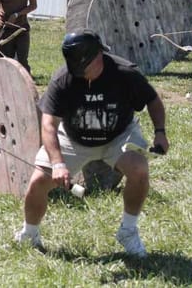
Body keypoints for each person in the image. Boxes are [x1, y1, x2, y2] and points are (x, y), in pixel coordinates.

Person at [14, 29, 169, 258]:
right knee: (38, 181)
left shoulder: (125, 73)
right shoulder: (63, 79)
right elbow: (48, 125)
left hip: (119, 135)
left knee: (139, 169)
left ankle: (128, 231)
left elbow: (153, 101)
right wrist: (57, 163)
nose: (81, 73)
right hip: (73, 138)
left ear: (98, 56)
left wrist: (160, 132)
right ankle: (30, 234)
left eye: (85, 66)